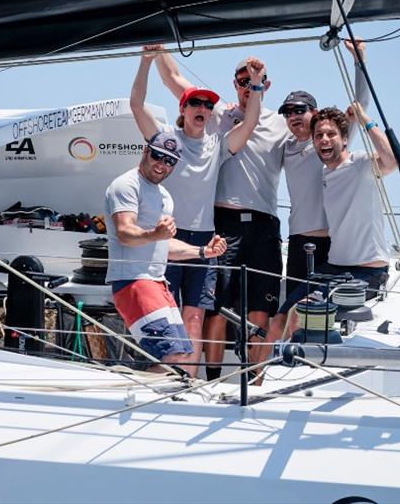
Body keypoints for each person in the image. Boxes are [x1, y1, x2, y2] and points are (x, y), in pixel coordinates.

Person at [154, 48, 290, 380]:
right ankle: (211, 380)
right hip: (223, 223)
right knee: (215, 307)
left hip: (264, 224)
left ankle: (254, 382)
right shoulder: (215, 114)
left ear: (266, 85)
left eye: (256, 81)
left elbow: (318, 141)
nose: (248, 86)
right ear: (235, 83)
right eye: (243, 81)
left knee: (261, 309)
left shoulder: (280, 124)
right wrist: (157, 48)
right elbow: (174, 79)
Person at [130, 45, 265, 378]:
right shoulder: (166, 140)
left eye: (208, 104)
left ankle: (188, 380)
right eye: (195, 102)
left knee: (194, 316)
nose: (202, 108)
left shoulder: (217, 144)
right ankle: (168, 372)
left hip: (204, 241)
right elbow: (136, 105)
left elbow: (250, 122)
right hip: (168, 237)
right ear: (184, 108)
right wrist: (146, 62)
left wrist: (257, 84)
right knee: (167, 312)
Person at [254, 103, 398, 378]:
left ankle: (286, 380)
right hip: (333, 268)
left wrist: (365, 119)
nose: (324, 139)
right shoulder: (323, 173)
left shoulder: (360, 164)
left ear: (345, 139)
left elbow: (391, 161)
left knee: (300, 315)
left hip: (367, 273)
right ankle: (255, 383)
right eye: (319, 135)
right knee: (280, 318)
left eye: (331, 134)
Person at [104, 131, 228, 376]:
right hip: (134, 282)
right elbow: (125, 232)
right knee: (172, 356)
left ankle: (152, 397)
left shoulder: (165, 197)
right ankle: (136, 397)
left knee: (184, 355)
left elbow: (163, 244)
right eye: (158, 156)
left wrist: (203, 251)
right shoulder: (126, 184)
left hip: (158, 283)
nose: (162, 164)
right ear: (145, 152)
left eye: (170, 160)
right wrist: (153, 235)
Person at [280, 39, 371, 297]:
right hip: (298, 242)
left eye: (299, 110)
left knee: (327, 309)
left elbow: (361, 104)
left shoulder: (327, 141)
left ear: (314, 112)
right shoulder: (284, 147)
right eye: (287, 113)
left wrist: (359, 61)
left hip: (332, 244)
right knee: (294, 311)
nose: (293, 116)